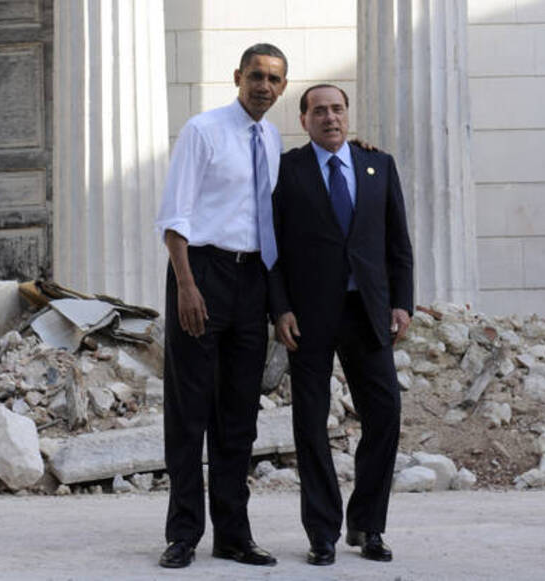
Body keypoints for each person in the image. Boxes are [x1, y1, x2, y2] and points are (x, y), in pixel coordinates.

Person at [153, 43, 288, 569]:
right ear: (238, 76)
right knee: (189, 410)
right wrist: (187, 286)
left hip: (251, 280)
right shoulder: (203, 130)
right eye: (256, 75)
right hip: (201, 272)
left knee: (238, 415)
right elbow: (174, 216)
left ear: (282, 87)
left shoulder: (272, 138)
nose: (264, 86)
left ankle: (233, 534)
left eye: (274, 79)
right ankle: (183, 533)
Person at [268, 83, 414, 566]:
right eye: (319, 111)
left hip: (367, 312)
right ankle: (322, 533)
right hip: (308, 318)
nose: (330, 118)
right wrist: (280, 308)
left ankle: (368, 525)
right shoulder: (287, 171)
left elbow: (398, 245)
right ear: (304, 119)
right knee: (310, 424)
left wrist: (402, 304)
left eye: (337, 109)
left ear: (348, 115)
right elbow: (274, 250)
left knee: (385, 413)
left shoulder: (378, 165)